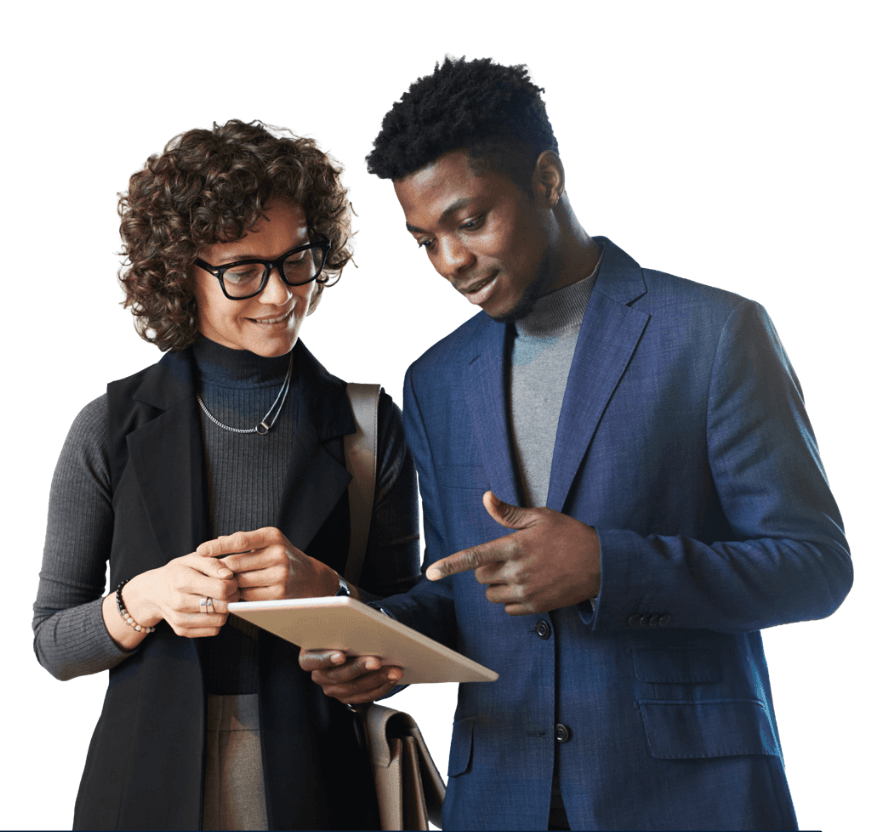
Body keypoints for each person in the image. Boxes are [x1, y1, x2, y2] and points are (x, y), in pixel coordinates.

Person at [300, 58, 853, 831]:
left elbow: (815, 568)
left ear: (548, 178)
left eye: (470, 220)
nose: (451, 262)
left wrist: (606, 566)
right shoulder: (435, 378)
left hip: (689, 799)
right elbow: (467, 591)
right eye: (425, 240)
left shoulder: (715, 333)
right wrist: (378, 641)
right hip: (499, 795)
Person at [32, 120, 420, 831]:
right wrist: (142, 599)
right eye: (243, 270)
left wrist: (332, 595)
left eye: (296, 260)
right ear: (182, 272)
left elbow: (413, 625)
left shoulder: (369, 426)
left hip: (321, 787)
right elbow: (52, 643)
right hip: (141, 786)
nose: (280, 295)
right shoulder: (109, 426)